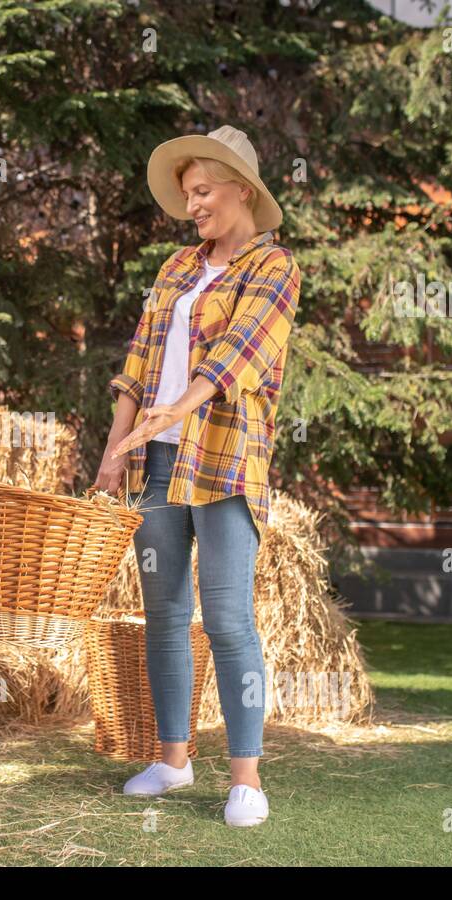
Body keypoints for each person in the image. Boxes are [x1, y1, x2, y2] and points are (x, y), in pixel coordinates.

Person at [95, 125, 301, 828]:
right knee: (165, 617)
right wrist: (116, 447)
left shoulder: (273, 269)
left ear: (243, 189)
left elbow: (235, 359)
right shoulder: (178, 267)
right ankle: (172, 760)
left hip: (223, 462)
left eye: (204, 191)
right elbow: (138, 360)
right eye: (187, 195)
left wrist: (171, 413)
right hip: (158, 464)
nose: (193, 206)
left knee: (228, 619)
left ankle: (246, 778)